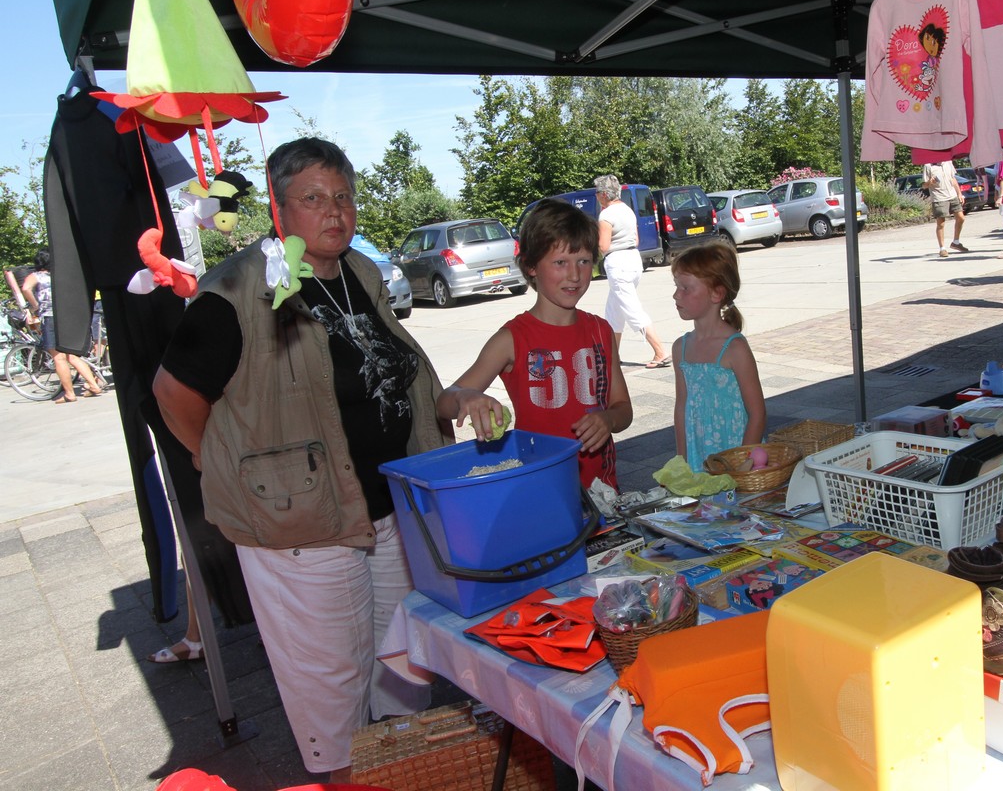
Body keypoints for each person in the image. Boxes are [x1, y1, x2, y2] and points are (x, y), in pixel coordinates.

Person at [152, 138, 448, 782]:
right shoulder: (238, 287)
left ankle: (400, 775)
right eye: (313, 198)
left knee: (403, 669)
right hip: (301, 527)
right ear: (279, 209)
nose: (334, 212)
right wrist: (212, 457)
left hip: (388, 508)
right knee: (333, 688)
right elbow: (173, 393)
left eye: (343, 197)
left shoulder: (360, 271)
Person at [438, 199, 633, 490]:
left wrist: (609, 420)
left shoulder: (600, 330)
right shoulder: (511, 339)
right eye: (560, 262)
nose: (575, 274)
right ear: (531, 266)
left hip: (601, 490)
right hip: (540, 490)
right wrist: (465, 396)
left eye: (583, 261)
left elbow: (623, 408)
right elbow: (443, 403)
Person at [669, 243, 766, 471]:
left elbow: (757, 413)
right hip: (699, 458)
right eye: (676, 286)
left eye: (686, 288)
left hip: (736, 457)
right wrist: (682, 462)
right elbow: (681, 407)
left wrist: (742, 465)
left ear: (716, 294)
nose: (676, 295)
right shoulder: (680, 348)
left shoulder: (735, 349)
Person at [594, 173, 671, 368]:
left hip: (618, 263)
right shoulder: (627, 210)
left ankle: (660, 352)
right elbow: (635, 240)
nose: (596, 195)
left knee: (631, 308)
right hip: (633, 259)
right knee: (614, 311)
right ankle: (612, 355)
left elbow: (603, 246)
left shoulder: (606, 215)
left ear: (604, 194)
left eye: (597, 192)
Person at [20, 248, 104, 403]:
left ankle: (70, 393)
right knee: (72, 354)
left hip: (50, 316)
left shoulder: (37, 276)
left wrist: (35, 305)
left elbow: (25, 288)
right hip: (67, 316)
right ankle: (93, 384)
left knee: (58, 357)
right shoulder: (60, 275)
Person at [922, 160, 967, 257]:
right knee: (941, 223)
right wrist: (929, 182)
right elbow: (924, 185)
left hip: (952, 195)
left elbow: (953, 179)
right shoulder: (928, 165)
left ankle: (956, 242)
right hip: (939, 197)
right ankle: (942, 248)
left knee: (961, 218)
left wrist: (959, 194)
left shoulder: (948, 162)